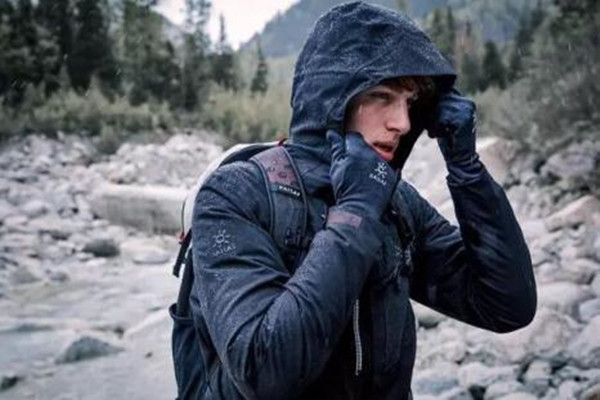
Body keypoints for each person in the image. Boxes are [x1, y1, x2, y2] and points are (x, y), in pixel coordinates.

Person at [187, 2, 537, 399]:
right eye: (382, 96)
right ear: (332, 99)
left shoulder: (397, 203)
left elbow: (506, 305)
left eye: (410, 103)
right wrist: (356, 212)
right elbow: (264, 371)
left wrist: (467, 170)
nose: (403, 123)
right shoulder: (234, 195)